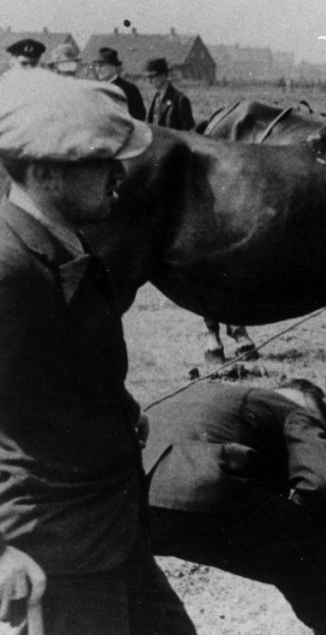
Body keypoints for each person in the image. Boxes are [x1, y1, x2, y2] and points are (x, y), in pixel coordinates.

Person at [0, 69, 196, 634]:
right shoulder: (11, 270)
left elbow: (60, 372)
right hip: (54, 550)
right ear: (42, 173)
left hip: (109, 533)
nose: (121, 175)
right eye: (100, 161)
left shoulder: (65, 238)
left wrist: (120, 412)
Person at [143, 380, 326, 635]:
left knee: (149, 606)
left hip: (136, 498)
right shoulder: (296, 408)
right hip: (204, 484)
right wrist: (301, 521)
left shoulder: (206, 393)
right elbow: (324, 483)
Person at [93, 48, 146, 120]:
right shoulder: (96, 88)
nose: (97, 69)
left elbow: (139, 116)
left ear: (113, 66)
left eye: (101, 66)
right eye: (96, 66)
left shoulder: (129, 89)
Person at [144, 57, 195, 130]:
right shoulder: (157, 97)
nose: (149, 81)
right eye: (148, 77)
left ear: (163, 76)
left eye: (152, 77)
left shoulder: (180, 100)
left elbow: (188, 133)